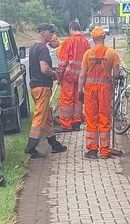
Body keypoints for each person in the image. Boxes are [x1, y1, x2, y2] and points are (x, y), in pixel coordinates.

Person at [78, 26, 123, 159]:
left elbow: (82, 75)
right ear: (104, 37)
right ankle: (104, 151)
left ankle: (92, 150)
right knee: (104, 117)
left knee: (91, 118)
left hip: (90, 90)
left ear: (93, 38)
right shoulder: (112, 53)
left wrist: (80, 90)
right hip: (105, 90)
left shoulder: (87, 54)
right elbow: (116, 74)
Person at [26, 23, 67, 158]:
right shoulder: (43, 49)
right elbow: (44, 69)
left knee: (47, 116)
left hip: (35, 86)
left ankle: (54, 144)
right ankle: (31, 147)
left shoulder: (33, 47)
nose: (52, 35)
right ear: (43, 32)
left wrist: (51, 69)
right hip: (43, 87)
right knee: (39, 117)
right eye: (50, 32)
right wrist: (54, 74)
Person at [55, 21, 89, 132]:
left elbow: (62, 63)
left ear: (71, 29)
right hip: (81, 77)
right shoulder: (86, 42)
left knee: (67, 100)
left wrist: (59, 77)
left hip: (68, 77)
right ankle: (76, 123)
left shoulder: (68, 42)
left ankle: (66, 124)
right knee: (78, 99)